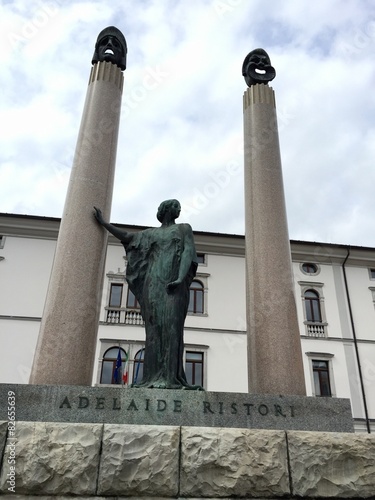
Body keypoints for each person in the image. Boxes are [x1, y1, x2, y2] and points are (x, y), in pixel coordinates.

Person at [94, 200, 202, 389]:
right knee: (153, 330)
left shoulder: (184, 229)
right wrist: (105, 224)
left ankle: (171, 378)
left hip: (174, 284)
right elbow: (127, 237)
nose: (180, 209)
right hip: (153, 284)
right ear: (167, 210)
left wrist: (180, 278)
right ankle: (152, 378)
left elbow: (188, 253)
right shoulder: (150, 234)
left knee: (172, 329)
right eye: (176, 206)